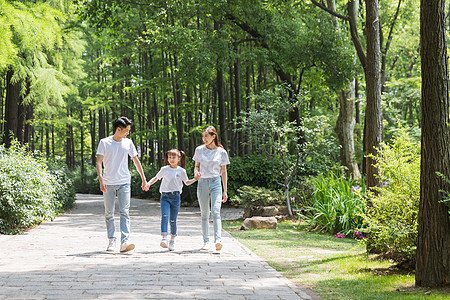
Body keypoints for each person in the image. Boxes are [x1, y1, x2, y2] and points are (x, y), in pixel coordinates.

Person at [96, 116, 146, 253]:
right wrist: (101, 179)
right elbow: (99, 161)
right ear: (118, 129)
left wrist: (143, 178)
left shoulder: (128, 143)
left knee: (125, 212)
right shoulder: (104, 143)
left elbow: (136, 161)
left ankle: (125, 241)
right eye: (126, 130)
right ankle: (111, 240)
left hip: (124, 181)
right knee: (109, 213)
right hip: (108, 183)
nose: (128, 133)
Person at [144, 149, 200, 251]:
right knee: (164, 216)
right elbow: (156, 178)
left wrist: (195, 179)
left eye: (173, 157)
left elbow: (186, 182)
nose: (171, 159)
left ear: (179, 159)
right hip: (165, 196)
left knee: (173, 220)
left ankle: (172, 240)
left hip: (176, 197)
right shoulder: (164, 169)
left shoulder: (181, 171)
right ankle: (164, 238)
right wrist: (148, 183)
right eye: (169, 157)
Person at [193, 126, 230, 252]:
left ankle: (218, 240)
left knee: (215, 211)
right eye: (203, 136)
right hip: (202, 183)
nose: (204, 139)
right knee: (204, 214)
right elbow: (196, 166)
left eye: (206, 136)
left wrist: (225, 190)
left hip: (216, 183)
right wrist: (196, 173)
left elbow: (223, 172)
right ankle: (206, 242)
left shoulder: (221, 152)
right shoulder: (199, 150)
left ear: (213, 137)